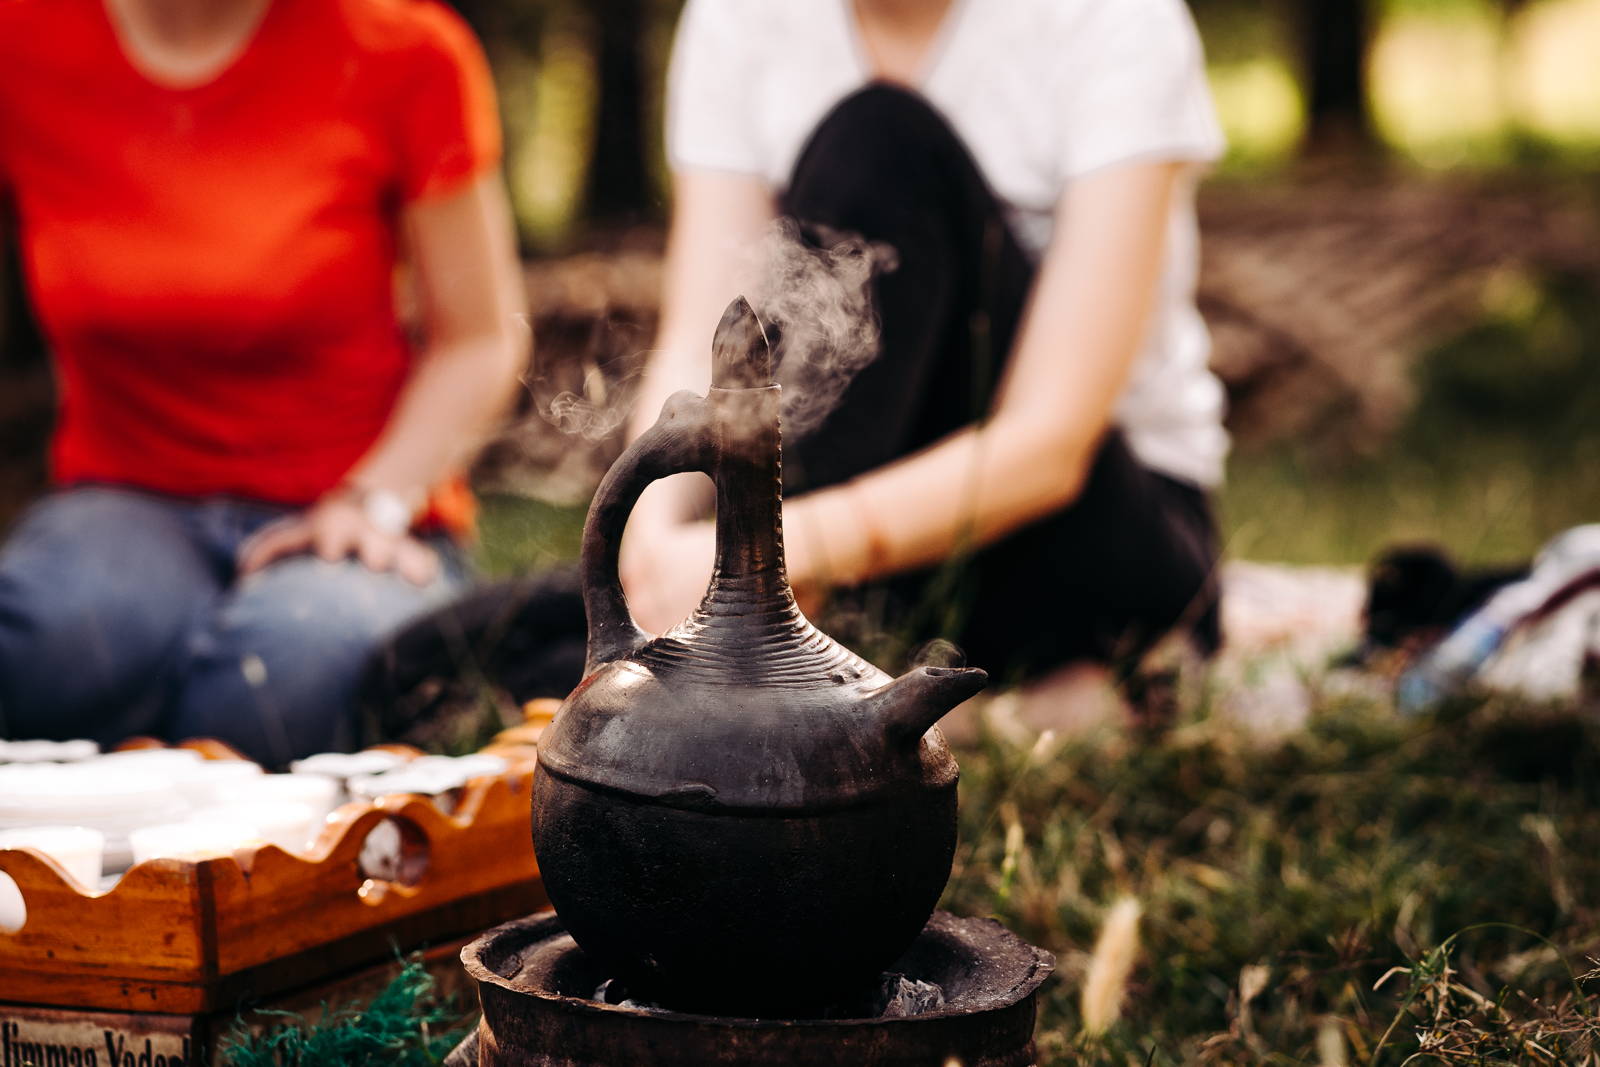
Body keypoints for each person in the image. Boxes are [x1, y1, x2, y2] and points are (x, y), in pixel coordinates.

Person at [618, 0, 1230, 690]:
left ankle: (831, 669)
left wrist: (771, 554)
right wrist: (643, 545)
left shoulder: (1114, 20)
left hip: (1086, 532)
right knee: (510, 637)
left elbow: (1052, 442)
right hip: (828, 559)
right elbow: (705, 339)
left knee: (882, 140)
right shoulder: (738, 18)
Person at [0, 0, 527, 765]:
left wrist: (376, 499)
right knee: (49, 645)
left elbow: (480, 340)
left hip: (363, 508)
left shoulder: (406, 51)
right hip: (128, 499)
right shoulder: (23, 42)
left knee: (280, 678)